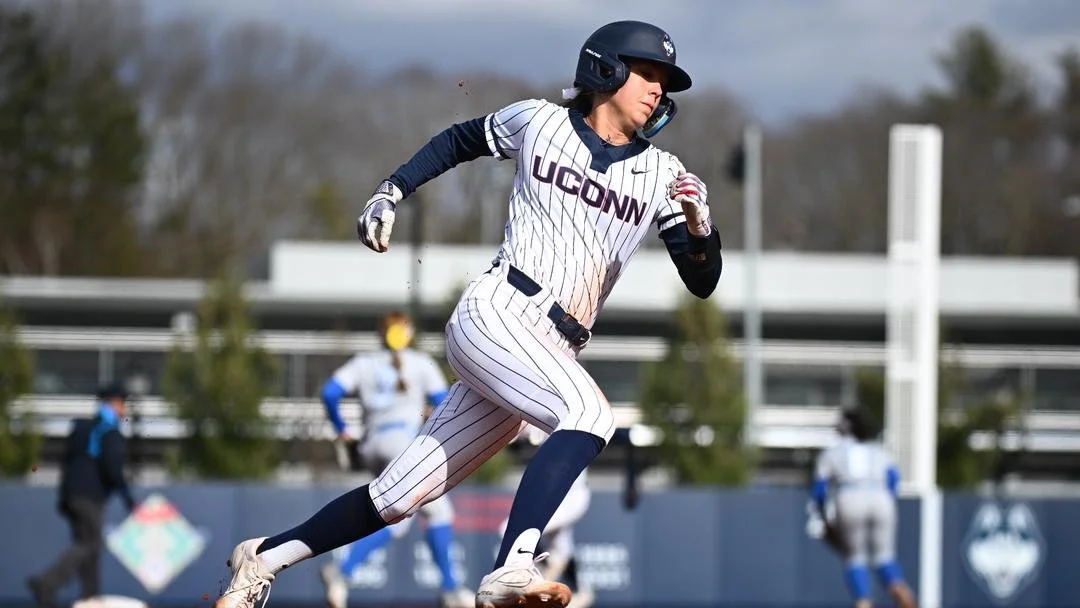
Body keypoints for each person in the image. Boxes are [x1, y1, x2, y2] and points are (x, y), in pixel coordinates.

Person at [213, 19, 721, 608]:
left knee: (399, 496)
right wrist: (391, 190)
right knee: (589, 414)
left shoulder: (663, 175)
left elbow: (702, 281)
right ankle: (512, 567)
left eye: (665, 80)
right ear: (604, 69)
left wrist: (701, 228)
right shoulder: (540, 122)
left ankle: (262, 560)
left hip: (550, 349)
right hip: (499, 310)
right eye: (649, 73)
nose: (659, 89)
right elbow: (460, 140)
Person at [316, 311, 473, 608]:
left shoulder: (364, 363)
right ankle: (451, 590)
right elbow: (446, 406)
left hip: (372, 447)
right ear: (408, 333)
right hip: (403, 445)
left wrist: (341, 429)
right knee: (440, 514)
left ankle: (342, 571)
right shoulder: (421, 364)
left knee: (397, 518)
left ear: (381, 334)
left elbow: (329, 393)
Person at [27, 384, 137, 608]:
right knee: (90, 544)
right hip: (90, 497)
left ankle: (91, 598)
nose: (124, 408)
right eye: (122, 403)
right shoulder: (110, 430)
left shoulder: (82, 427)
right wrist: (128, 499)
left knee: (89, 546)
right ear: (114, 403)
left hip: (73, 495)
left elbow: (68, 463)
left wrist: (64, 496)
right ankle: (47, 583)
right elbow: (113, 468)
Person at [813, 408, 918, 608]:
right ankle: (903, 595)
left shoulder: (832, 452)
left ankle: (863, 603)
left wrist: (824, 517)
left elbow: (819, 490)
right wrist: (887, 499)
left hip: (850, 496)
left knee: (855, 557)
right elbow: (894, 479)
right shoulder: (877, 450)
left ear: (843, 428)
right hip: (881, 497)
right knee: (884, 556)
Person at [497, 427, 595, 608]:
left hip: (572, 497)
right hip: (559, 497)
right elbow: (517, 438)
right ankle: (581, 592)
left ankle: (531, 584)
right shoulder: (544, 419)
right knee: (560, 548)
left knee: (507, 531)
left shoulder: (570, 422)